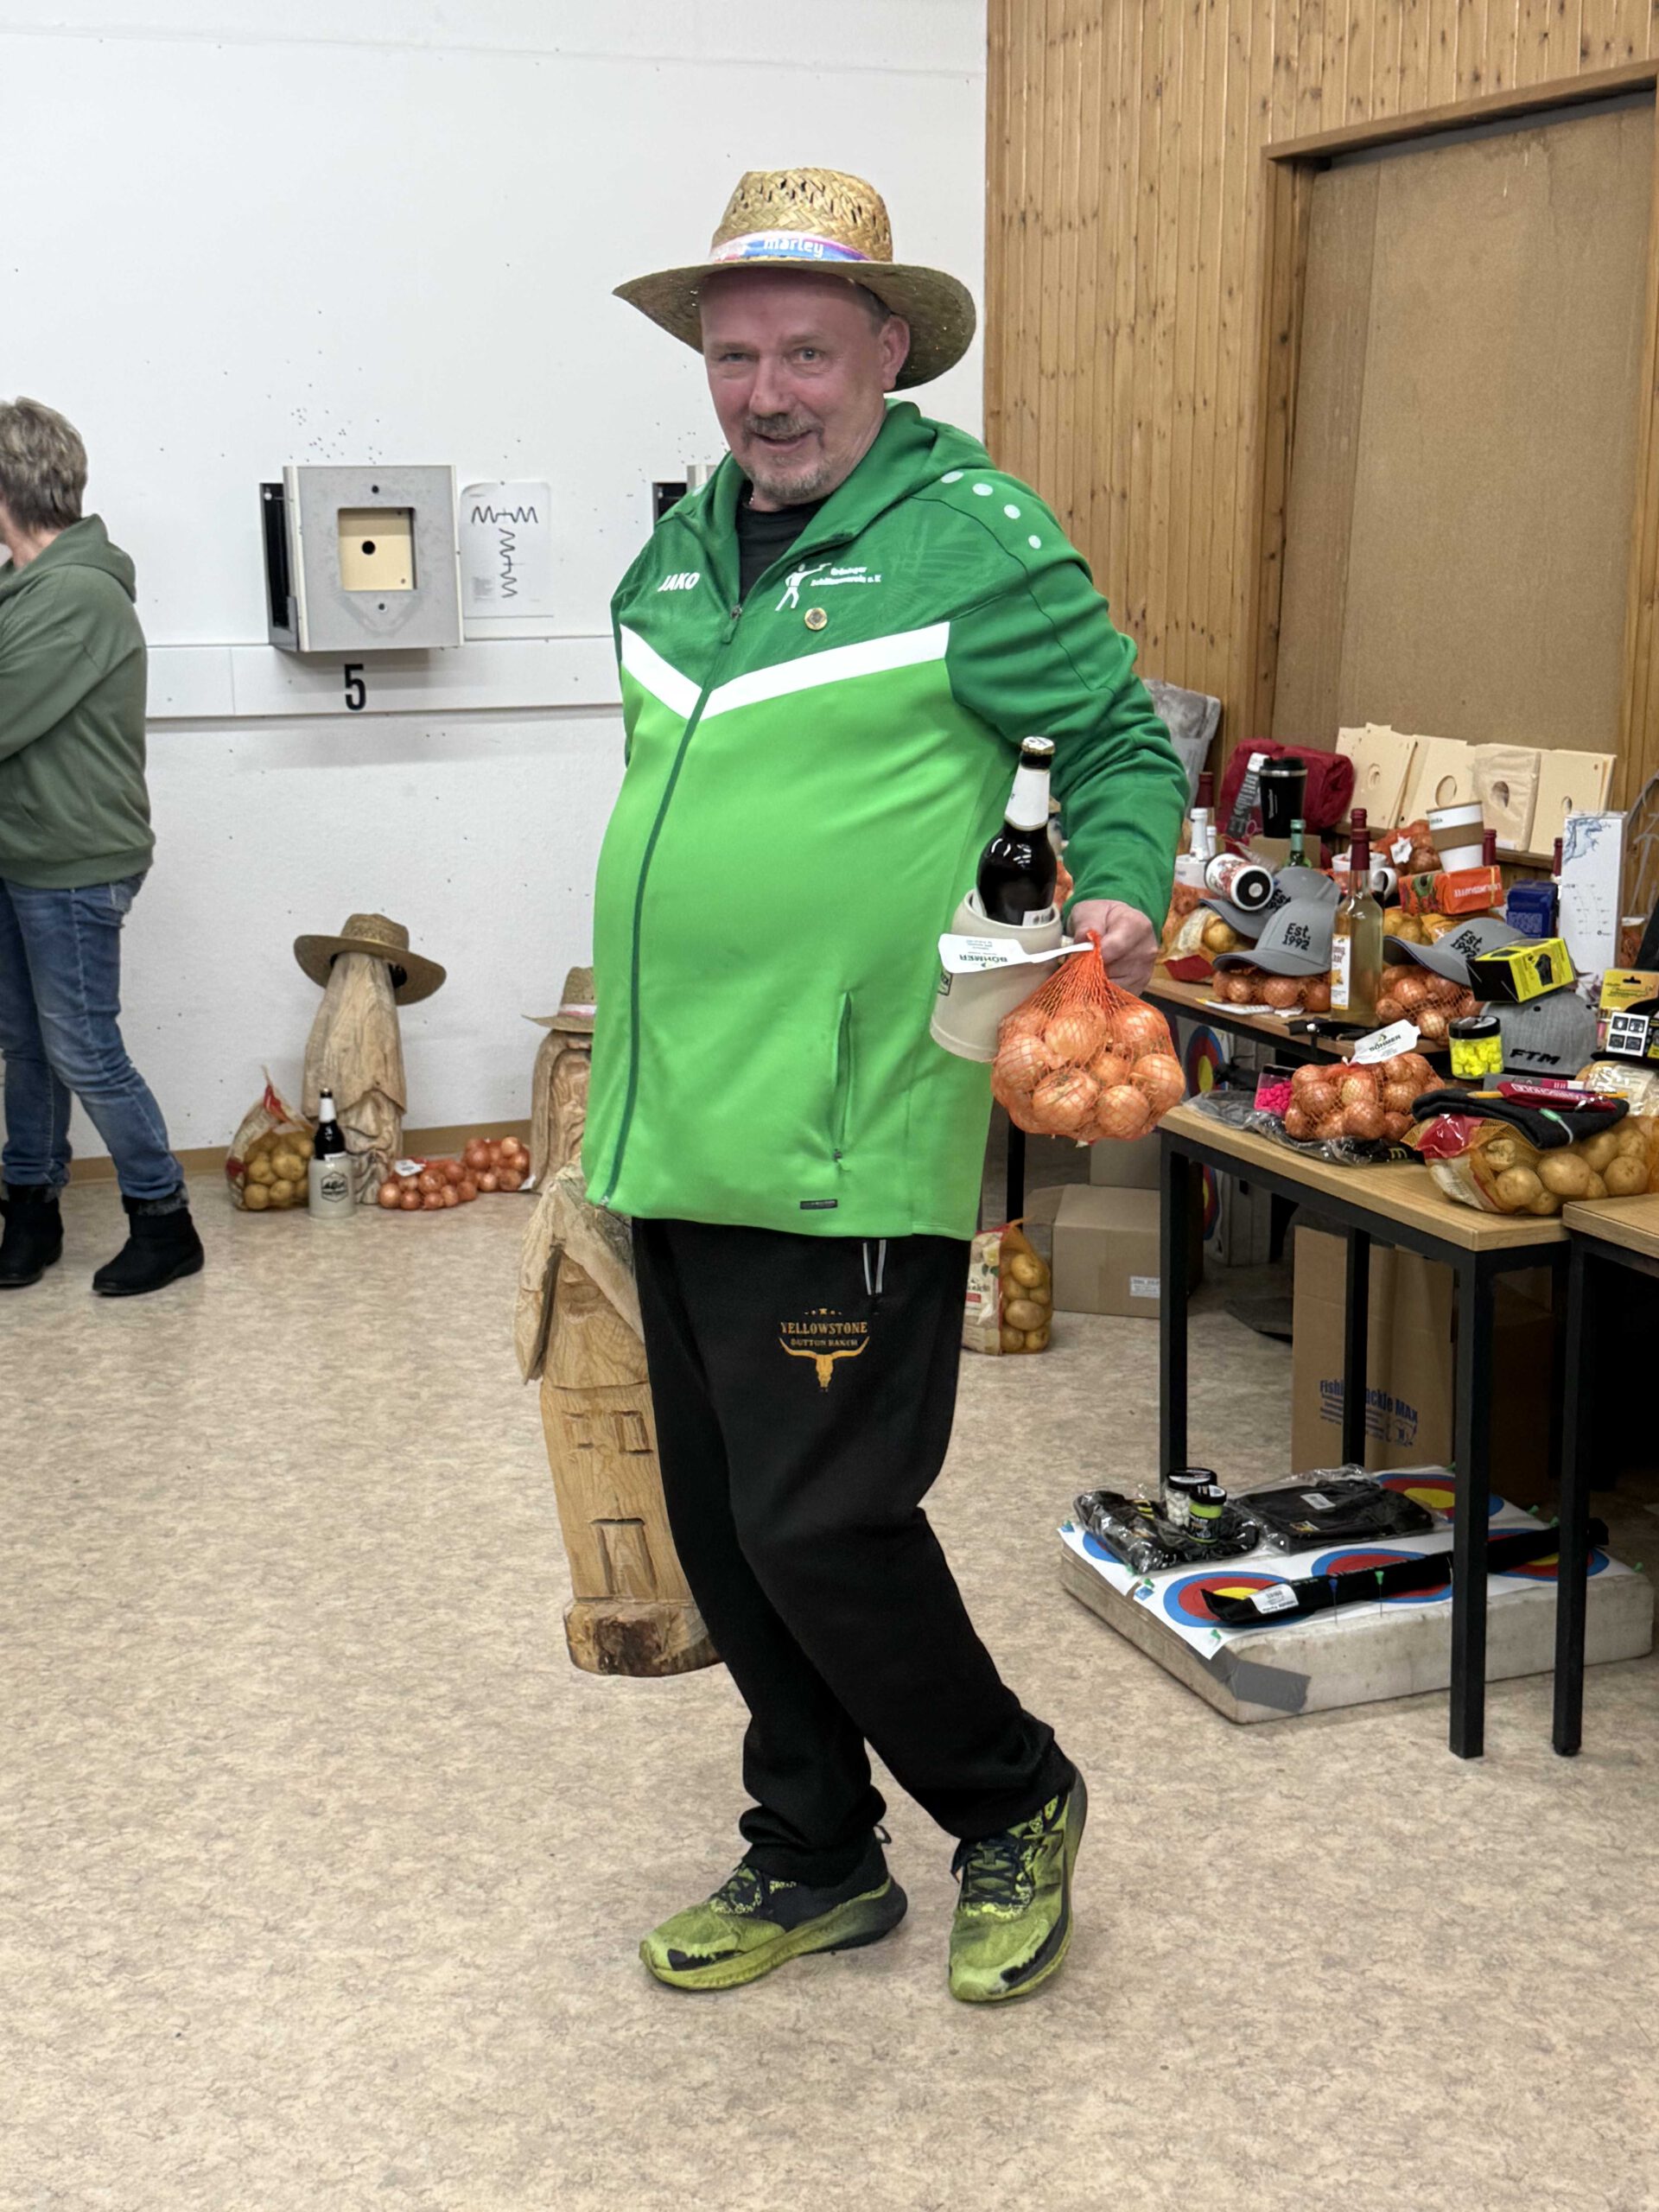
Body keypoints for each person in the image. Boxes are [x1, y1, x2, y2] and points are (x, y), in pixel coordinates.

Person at [587, 169, 1186, 2003]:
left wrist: (1119, 884)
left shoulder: (968, 538)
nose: (766, 393)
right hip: (673, 1118)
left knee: (820, 1518)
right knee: (726, 1527)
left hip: (845, 1123)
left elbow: (1116, 732)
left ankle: (1013, 1797)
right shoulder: (674, 555)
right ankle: (815, 1849)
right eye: (735, 354)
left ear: (889, 350)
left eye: (807, 353)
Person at [0, 397, 202, 1295]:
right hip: (22, 852)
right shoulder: (22, 586)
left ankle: (165, 1219)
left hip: (74, 861)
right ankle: (30, 1209)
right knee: (26, 1046)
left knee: (82, 1048)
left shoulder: (76, 595)